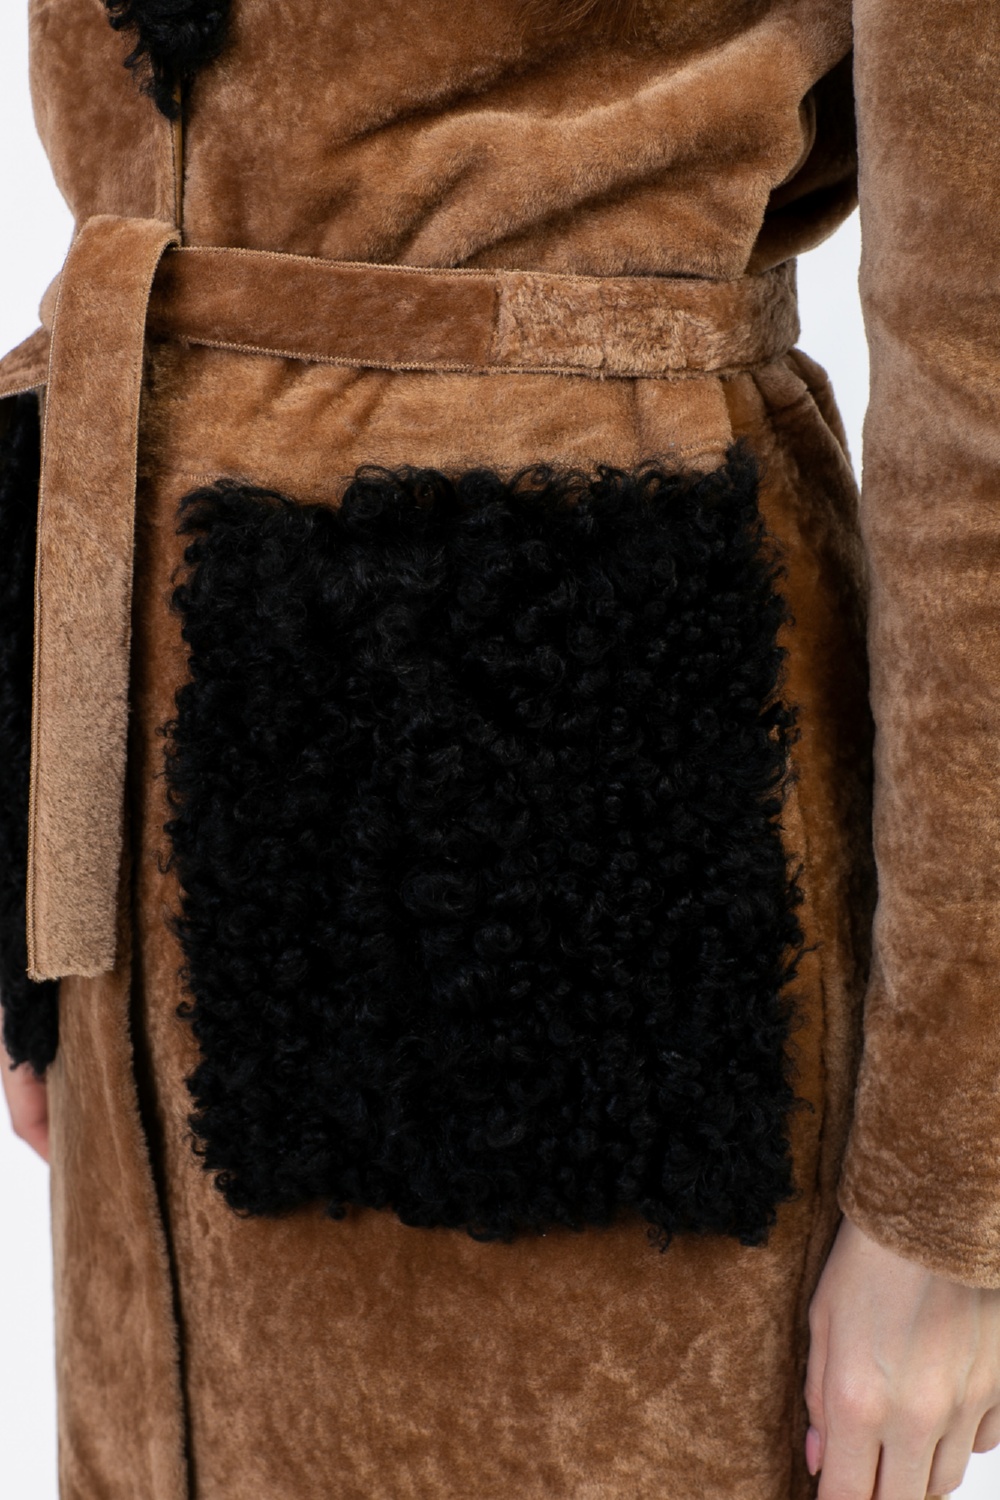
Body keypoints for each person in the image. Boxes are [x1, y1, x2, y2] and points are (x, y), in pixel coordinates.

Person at [2, 1, 1000, 1497]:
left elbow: (979, 379)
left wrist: (955, 1184)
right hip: (157, 826)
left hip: (566, 783)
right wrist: (41, 856)